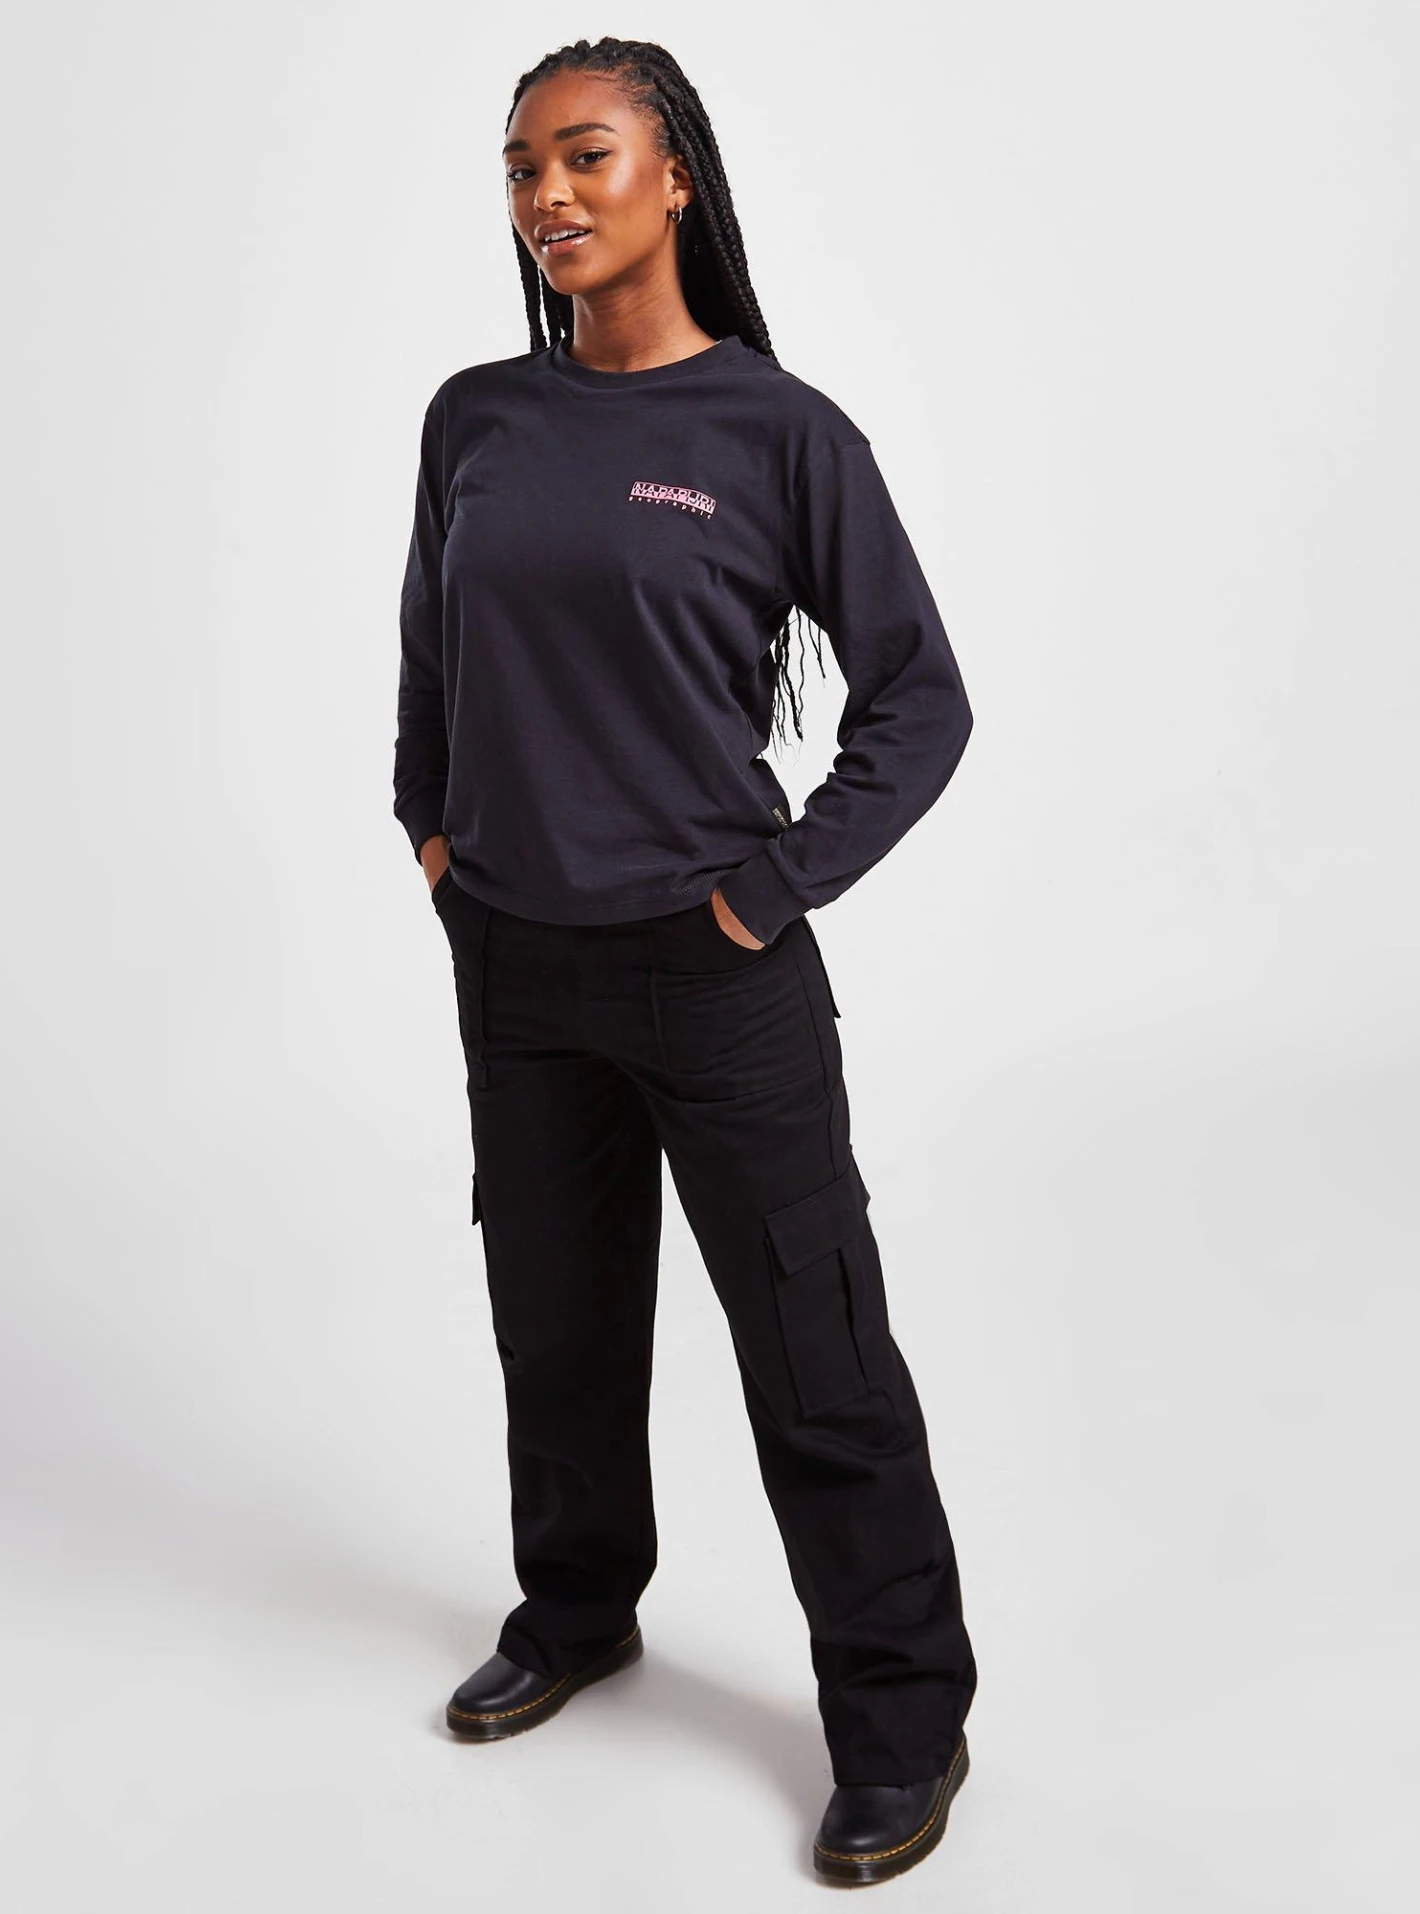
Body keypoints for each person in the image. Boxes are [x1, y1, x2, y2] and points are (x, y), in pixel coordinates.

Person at [394, 37, 978, 1888]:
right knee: (556, 1326)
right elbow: (431, 658)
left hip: (717, 978)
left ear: (675, 180)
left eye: (584, 156)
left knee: (815, 1351)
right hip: (518, 968)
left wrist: (766, 891)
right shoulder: (475, 419)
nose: (547, 196)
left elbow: (922, 704)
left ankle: (904, 1711)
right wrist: (435, 828)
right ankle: (577, 1608)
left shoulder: (780, 433)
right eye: (521, 168)